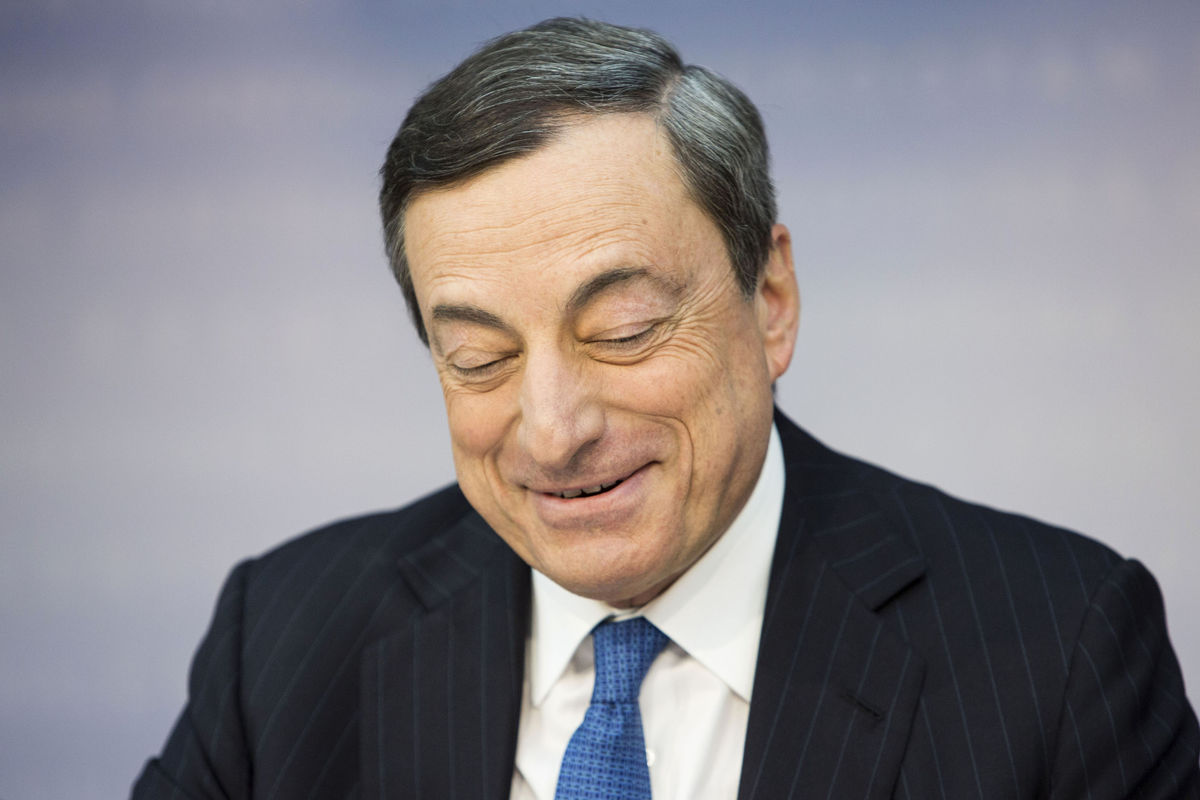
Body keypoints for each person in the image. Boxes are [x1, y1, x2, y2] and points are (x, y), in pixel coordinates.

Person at [133, 17, 1199, 799]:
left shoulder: (1060, 648)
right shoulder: (284, 641)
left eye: (623, 329)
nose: (554, 430)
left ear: (770, 300)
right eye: (479, 357)